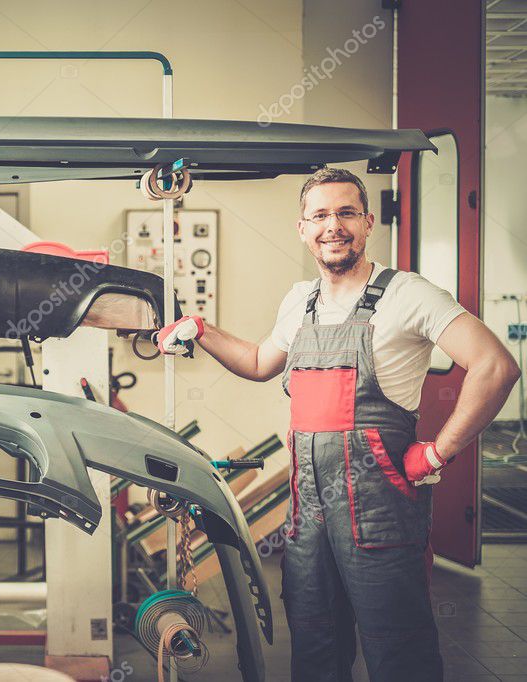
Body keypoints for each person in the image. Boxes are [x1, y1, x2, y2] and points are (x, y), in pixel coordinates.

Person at [156, 167, 519, 681]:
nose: (334, 225)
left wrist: (439, 452)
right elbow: (261, 362)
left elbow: (496, 366)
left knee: (400, 652)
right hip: (309, 519)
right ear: (302, 228)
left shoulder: (408, 294)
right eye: (320, 215)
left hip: (382, 514)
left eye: (346, 212)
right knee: (316, 649)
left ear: (369, 222)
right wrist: (202, 329)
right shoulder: (299, 300)